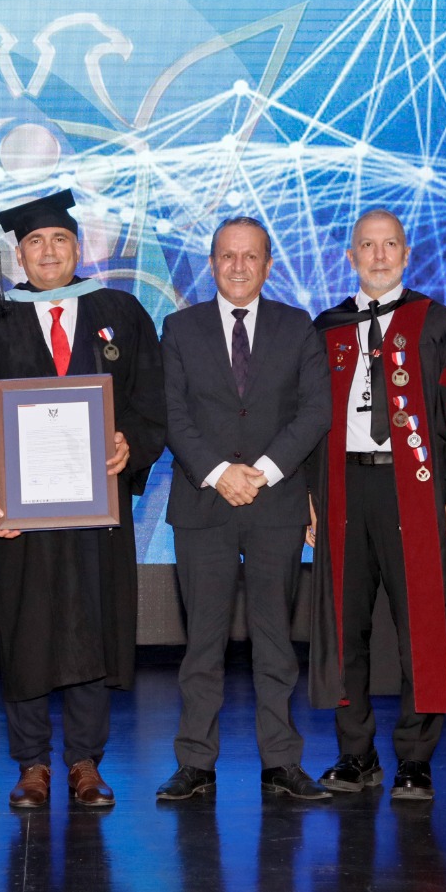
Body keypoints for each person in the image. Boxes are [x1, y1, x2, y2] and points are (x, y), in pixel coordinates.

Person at [0, 190, 166, 809]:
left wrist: (131, 444)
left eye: (59, 239)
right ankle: (32, 763)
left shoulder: (120, 311)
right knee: (24, 628)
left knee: (91, 625)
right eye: (34, 241)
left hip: (95, 507)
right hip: (20, 512)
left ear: (78, 248)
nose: (48, 251)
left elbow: (151, 401)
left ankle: (84, 761)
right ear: (18, 253)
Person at [306, 209, 446, 801]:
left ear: (407, 254)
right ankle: (355, 754)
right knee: (344, 626)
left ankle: (415, 757)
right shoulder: (325, 329)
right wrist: (310, 499)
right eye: (368, 245)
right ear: (350, 256)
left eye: (390, 245)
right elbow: (306, 422)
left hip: (418, 488)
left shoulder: (441, 324)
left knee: (424, 627)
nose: (380, 256)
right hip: (343, 489)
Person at [156, 217, 333, 802]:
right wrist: (218, 473)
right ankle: (194, 764)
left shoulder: (297, 325)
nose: (238, 266)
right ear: (212, 263)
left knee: (276, 643)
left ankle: (281, 762)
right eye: (227, 256)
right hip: (203, 503)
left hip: (275, 503)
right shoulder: (179, 329)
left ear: (268, 264)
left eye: (250, 256)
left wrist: (263, 472)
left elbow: (316, 410)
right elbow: (171, 413)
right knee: (201, 647)